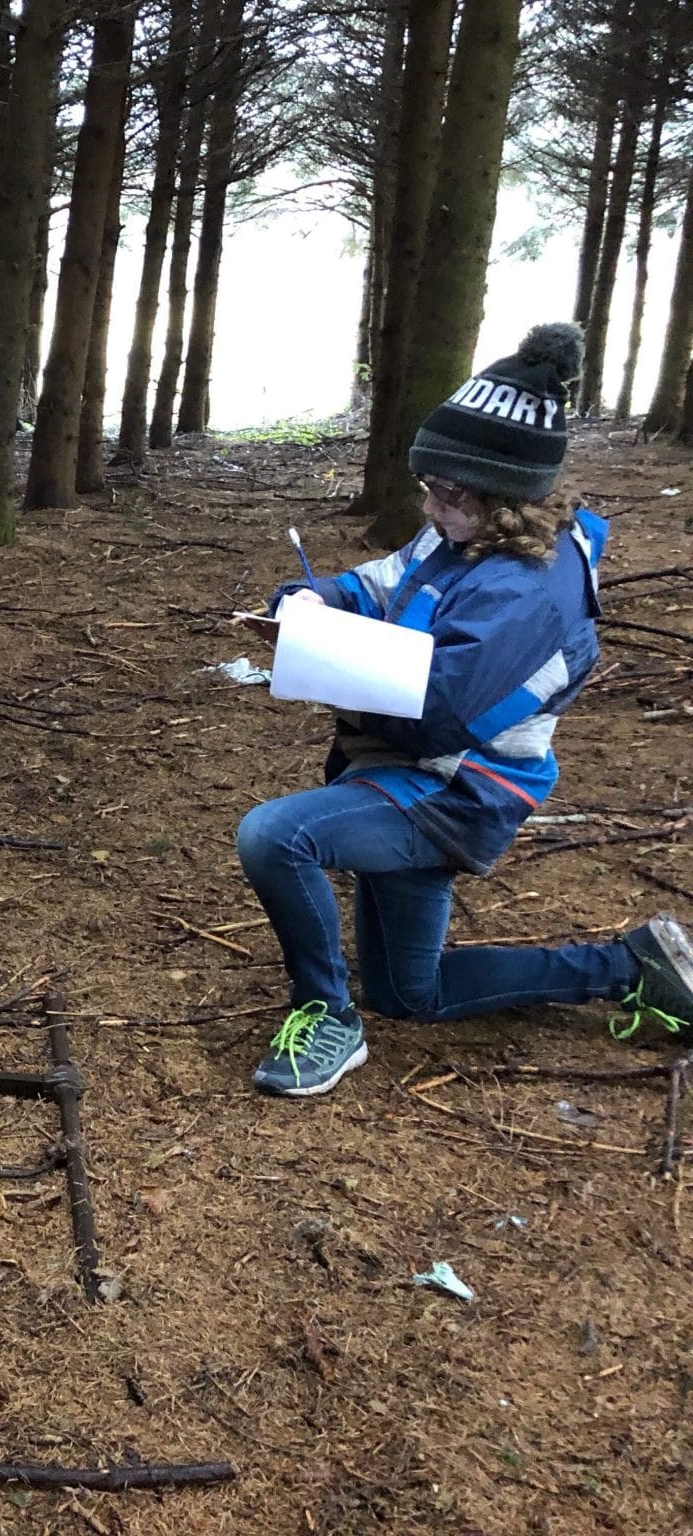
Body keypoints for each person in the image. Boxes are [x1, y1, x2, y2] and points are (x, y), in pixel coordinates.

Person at [236, 322, 693, 1096]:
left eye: (446, 494)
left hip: (454, 791)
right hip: (401, 772)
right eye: (429, 486)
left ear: (504, 496)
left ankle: (325, 1014)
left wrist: (322, 666)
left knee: (276, 836)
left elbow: (438, 713)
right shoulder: (460, 535)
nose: (429, 506)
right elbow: (385, 579)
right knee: (409, 994)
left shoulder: (530, 591)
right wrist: (320, 600)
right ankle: (629, 967)